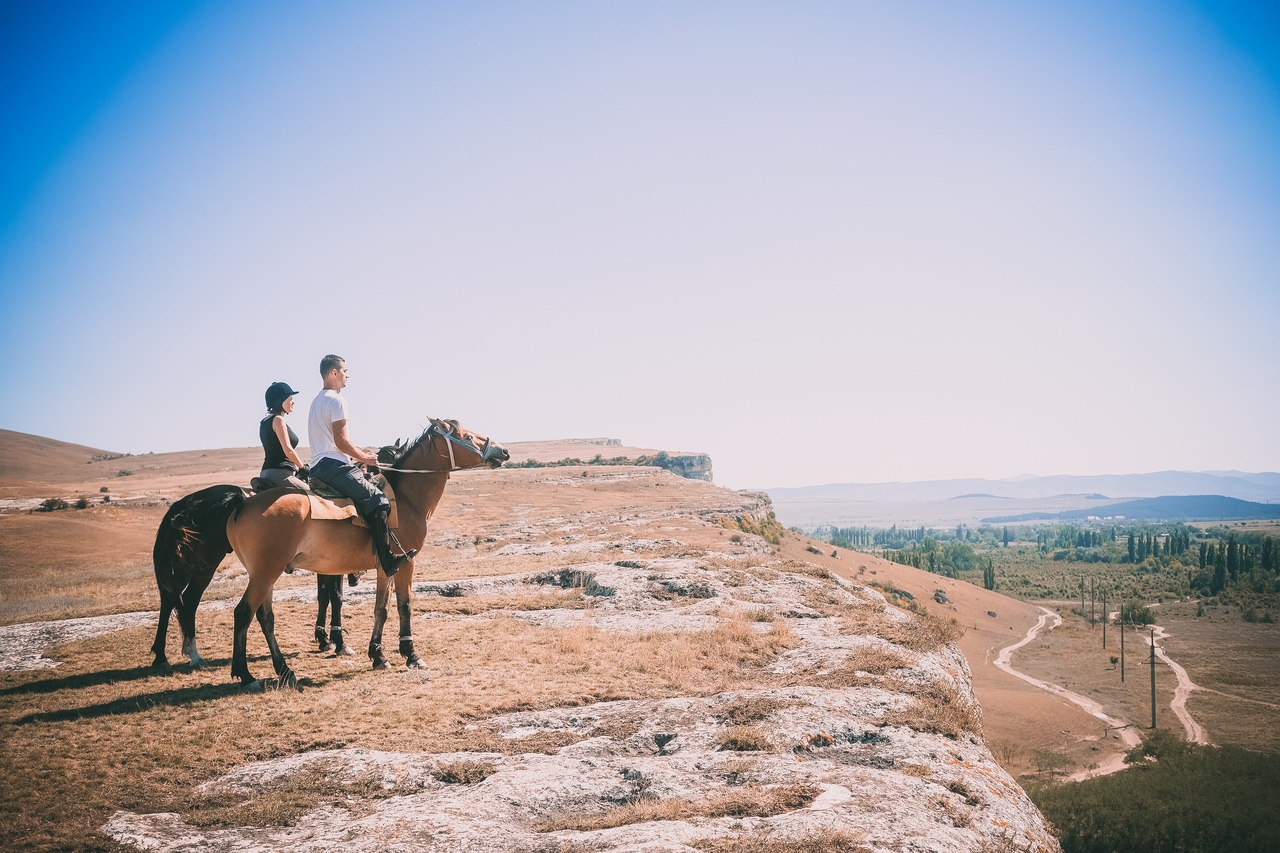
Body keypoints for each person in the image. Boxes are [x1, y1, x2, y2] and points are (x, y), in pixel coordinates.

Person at [307, 354, 415, 577]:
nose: (348, 375)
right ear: (334, 373)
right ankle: (386, 560)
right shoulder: (337, 401)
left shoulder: (316, 401)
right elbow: (340, 441)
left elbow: (333, 443)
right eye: (345, 371)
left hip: (319, 465)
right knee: (379, 501)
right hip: (333, 466)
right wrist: (366, 459)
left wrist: (359, 451)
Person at [258, 381, 309, 490]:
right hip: (280, 474)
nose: (293, 402)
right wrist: (303, 467)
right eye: (290, 399)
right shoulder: (278, 420)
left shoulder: (264, 422)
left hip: (265, 472)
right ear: (279, 401)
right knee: (314, 495)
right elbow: (288, 450)